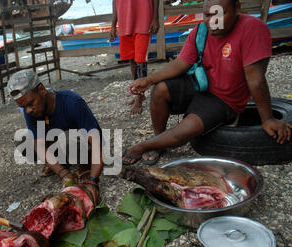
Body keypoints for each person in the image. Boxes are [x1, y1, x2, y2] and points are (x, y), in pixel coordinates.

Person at [122, 0, 292, 165]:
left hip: (224, 99)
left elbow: (256, 80)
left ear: (237, 8)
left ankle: (144, 145)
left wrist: (268, 118)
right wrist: (149, 80)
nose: (213, 22)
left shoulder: (253, 29)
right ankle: (158, 140)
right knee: (160, 89)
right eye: (208, 15)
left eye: (220, 14)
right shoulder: (201, 31)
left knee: (185, 131)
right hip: (201, 85)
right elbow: (181, 63)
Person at [7, 69, 103, 205]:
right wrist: (63, 173)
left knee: (69, 139)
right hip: (58, 145)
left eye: (30, 104)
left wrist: (94, 181)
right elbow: (39, 145)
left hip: (79, 145)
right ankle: (59, 163)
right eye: (23, 107)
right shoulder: (30, 112)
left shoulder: (72, 102)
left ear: (41, 90)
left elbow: (96, 142)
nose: (28, 110)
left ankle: (84, 165)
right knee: (22, 140)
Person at [109, 0, 159, 115]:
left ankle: (138, 100)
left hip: (144, 19)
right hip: (124, 22)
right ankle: (138, 94)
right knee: (132, 60)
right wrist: (113, 25)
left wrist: (155, 18)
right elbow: (115, 2)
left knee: (141, 61)